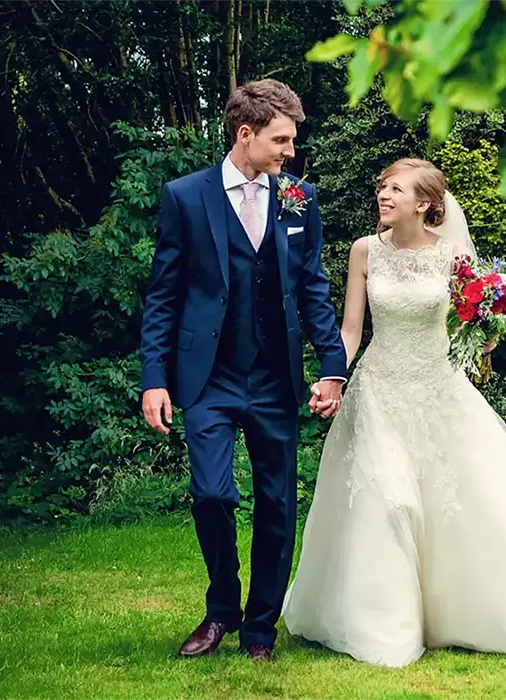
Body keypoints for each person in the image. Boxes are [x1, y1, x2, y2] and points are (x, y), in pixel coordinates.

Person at [283, 158, 506, 667]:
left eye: (395, 189)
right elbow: (352, 330)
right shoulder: (364, 252)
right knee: (388, 502)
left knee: (461, 504)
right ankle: (384, 622)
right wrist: (333, 376)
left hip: (438, 390)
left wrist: (489, 328)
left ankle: (460, 612)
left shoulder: (453, 258)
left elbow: (475, 326)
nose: (383, 195)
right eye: (381, 187)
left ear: (424, 204)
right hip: (377, 390)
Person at [139, 79, 346, 661]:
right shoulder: (185, 196)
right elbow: (163, 295)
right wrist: (155, 377)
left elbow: (313, 289)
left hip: (275, 377)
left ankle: (260, 628)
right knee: (211, 494)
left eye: (293, 141)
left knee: (278, 504)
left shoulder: (299, 196)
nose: (290, 152)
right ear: (245, 134)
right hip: (208, 378)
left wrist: (332, 367)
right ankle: (221, 609)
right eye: (281, 140)